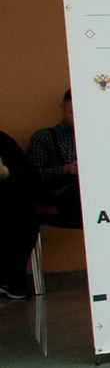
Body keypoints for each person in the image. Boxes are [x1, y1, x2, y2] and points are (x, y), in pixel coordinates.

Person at [27, 89, 77, 222]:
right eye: (71, 112)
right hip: (61, 192)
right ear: (63, 107)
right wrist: (64, 169)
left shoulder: (98, 136)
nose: (76, 117)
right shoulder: (44, 137)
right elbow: (33, 175)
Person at [0, 123, 35, 299]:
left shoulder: (3, 141)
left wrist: (5, 171)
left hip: (7, 202)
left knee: (22, 214)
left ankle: (12, 280)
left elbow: (25, 174)